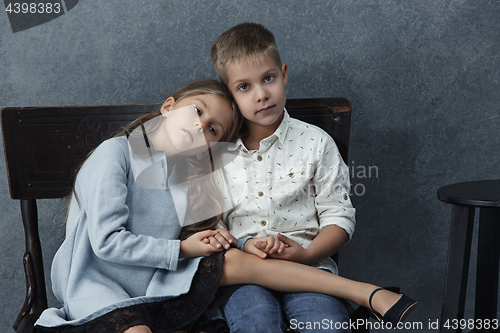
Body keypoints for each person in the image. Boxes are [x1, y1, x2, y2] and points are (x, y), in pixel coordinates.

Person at [33, 78, 416, 333]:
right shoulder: (114, 154)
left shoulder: (190, 174)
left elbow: (199, 236)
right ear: (169, 106)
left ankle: (367, 293)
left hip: (154, 278)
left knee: (231, 258)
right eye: (197, 111)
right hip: (99, 283)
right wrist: (184, 248)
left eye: (213, 129)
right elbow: (107, 243)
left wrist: (219, 239)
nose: (201, 126)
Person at [207, 22, 400, 332]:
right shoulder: (218, 152)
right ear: (228, 94)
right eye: (244, 87)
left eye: (268, 78)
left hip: (311, 270)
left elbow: (338, 216)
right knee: (256, 324)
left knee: (327, 326)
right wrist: (242, 245)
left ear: (284, 74)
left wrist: (307, 254)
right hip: (242, 277)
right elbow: (212, 224)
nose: (261, 95)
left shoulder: (316, 142)